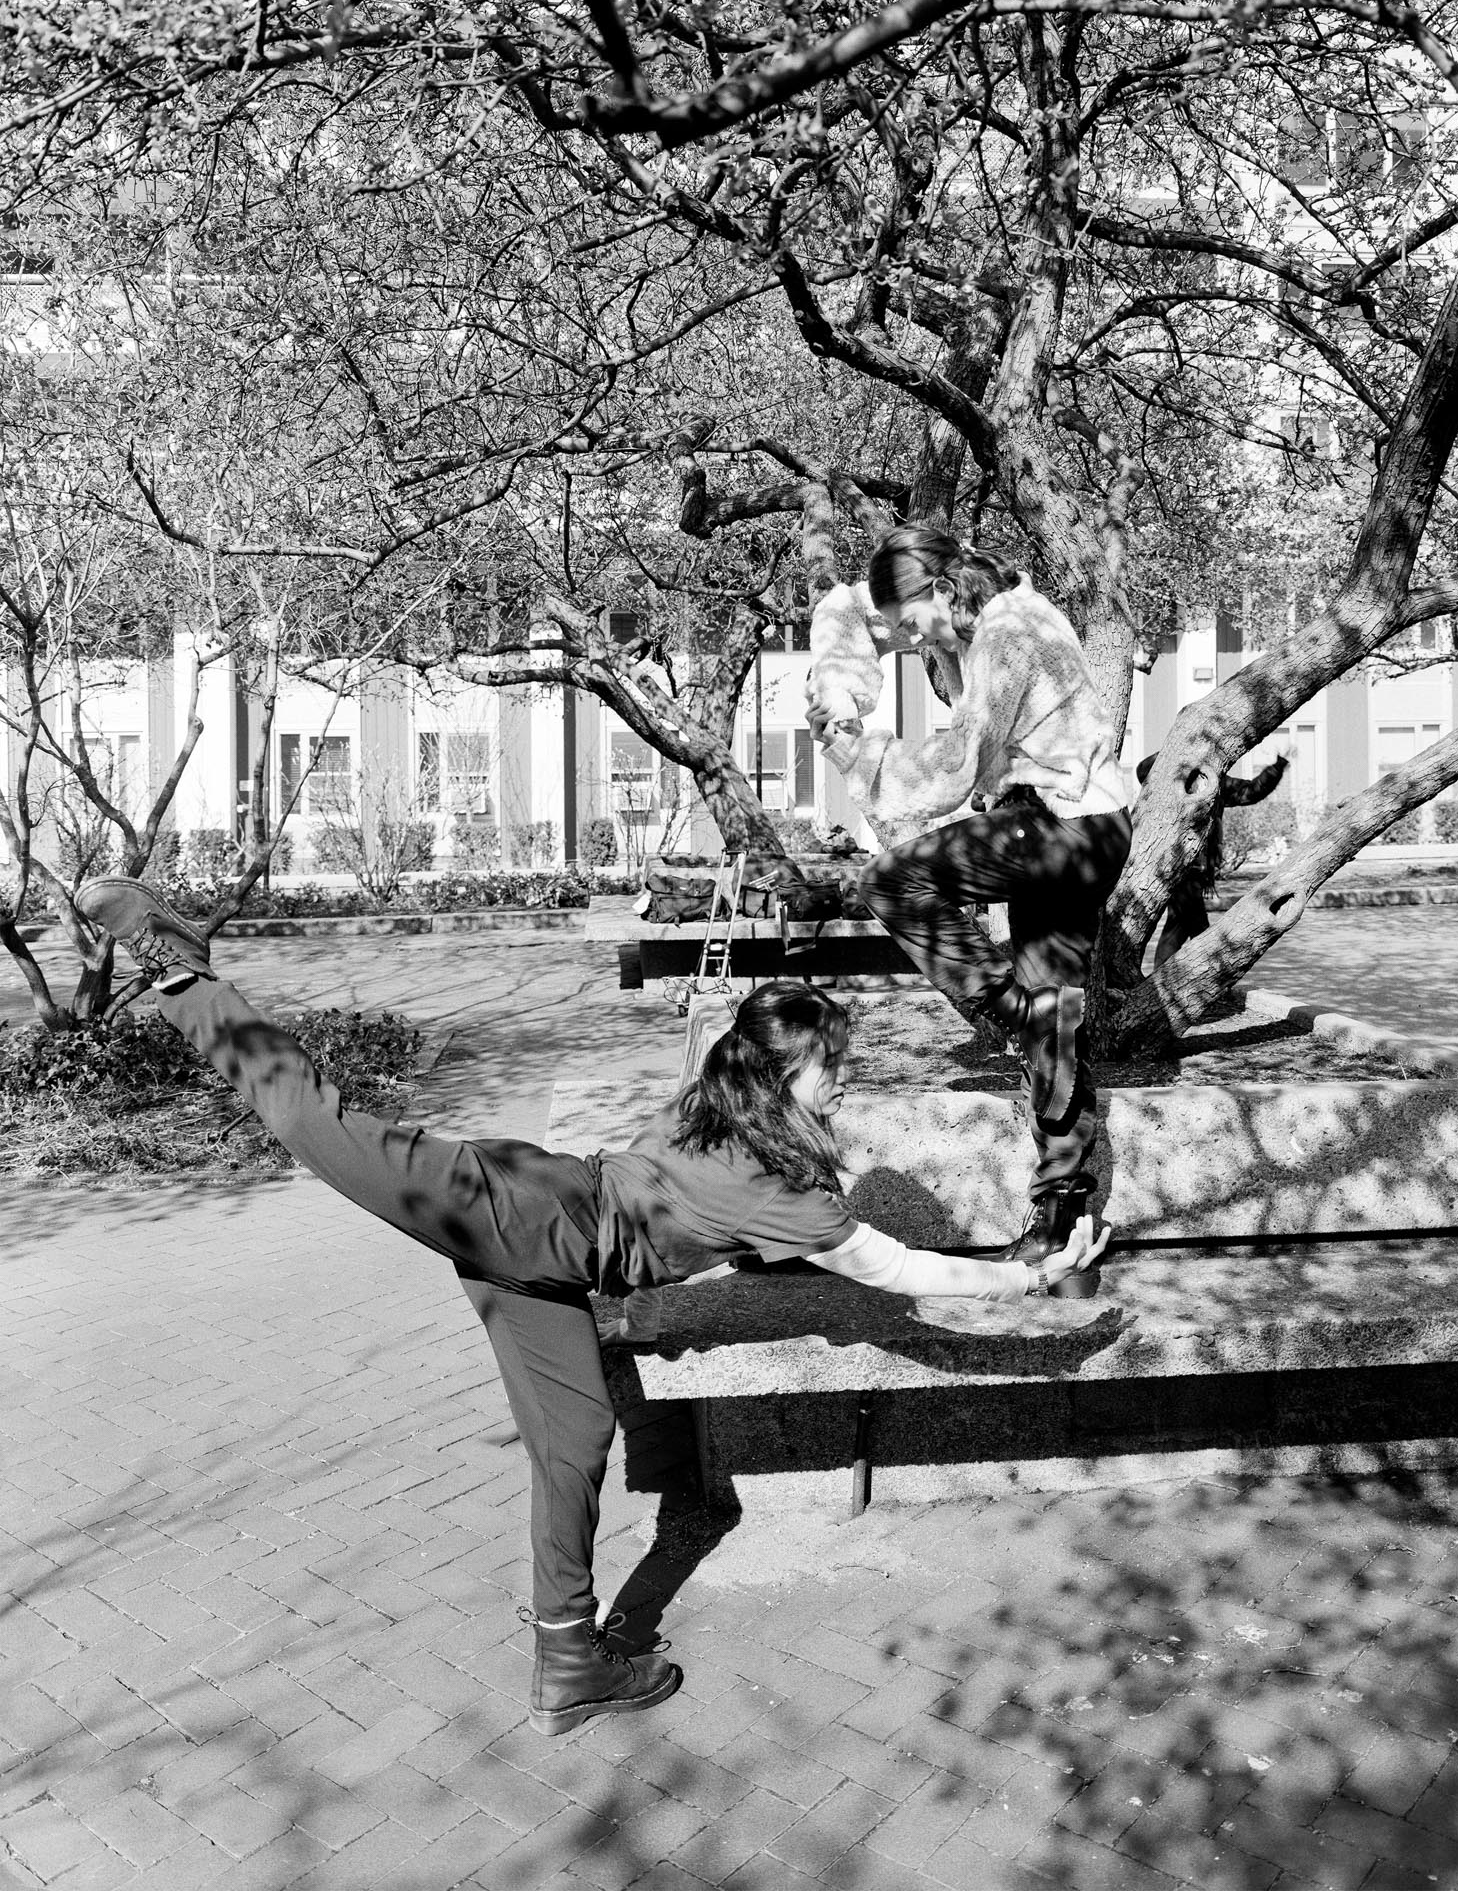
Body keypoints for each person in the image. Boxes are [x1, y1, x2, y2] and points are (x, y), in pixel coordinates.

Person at [75, 876, 1109, 1738]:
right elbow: (895, 1271)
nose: (846, 1086)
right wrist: (1024, 1274)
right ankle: (180, 971)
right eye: (836, 1070)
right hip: (516, 1207)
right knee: (317, 1121)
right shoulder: (781, 1184)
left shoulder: (725, 1102)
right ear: (785, 1072)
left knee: (574, 1440)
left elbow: (776, 1208)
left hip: (539, 1267)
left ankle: (568, 1663)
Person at [806, 524, 1132, 1265]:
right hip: (1079, 830)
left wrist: (858, 749)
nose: (912, 641)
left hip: (1063, 831)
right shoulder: (984, 610)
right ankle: (1061, 1215)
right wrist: (839, 680)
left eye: (913, 622)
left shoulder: (1006, 634)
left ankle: (1018, 1013)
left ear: (941, 590)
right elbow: (849, 608)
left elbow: (958, 766)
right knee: (1058, 1027)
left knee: (891, 880)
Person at [1135, 747, 1290, 965]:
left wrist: (1276, 768)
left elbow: (1249, 791)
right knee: (1194, 924)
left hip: (1199, 866)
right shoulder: (1169, 778)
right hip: (1174, 864)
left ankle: (1168, 974)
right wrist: (1175, 750)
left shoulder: (1214, 782)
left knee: (1179, 923)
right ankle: (1210, 968)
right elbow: (1142, 770)